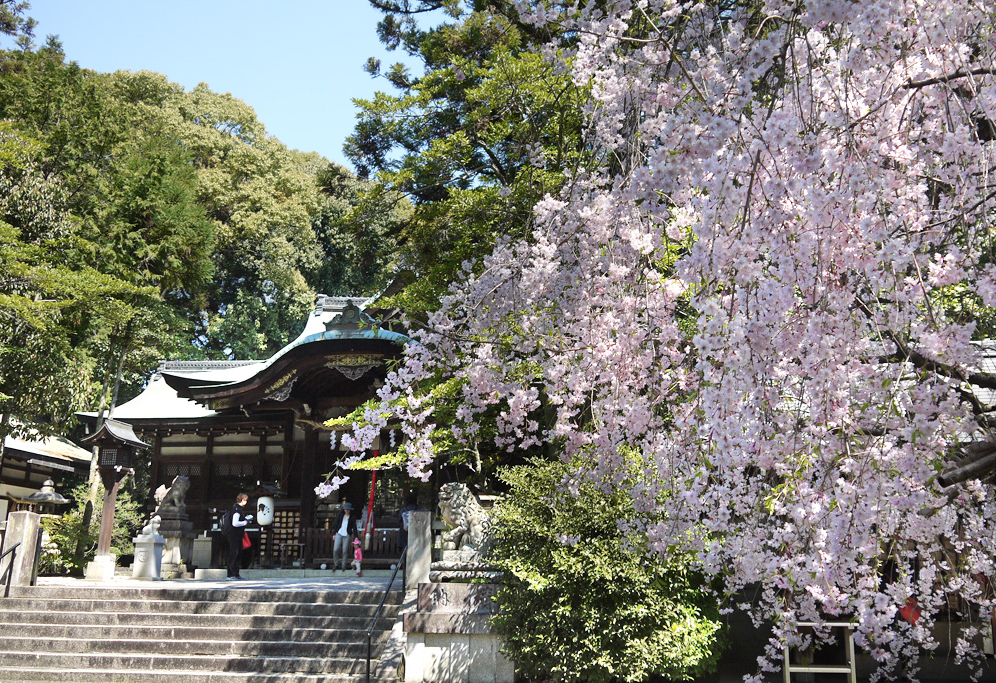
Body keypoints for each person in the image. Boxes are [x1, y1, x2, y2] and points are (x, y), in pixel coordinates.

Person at [226, 492, 252, 580]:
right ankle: (231, 574)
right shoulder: (237, 510)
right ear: (242, 500)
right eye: (245, 500)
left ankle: (235, 573)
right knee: (234, 553)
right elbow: (235, 523)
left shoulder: (237, 509)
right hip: (234, 534)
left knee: (237, 553)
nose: (246, 502)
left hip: (237, 534)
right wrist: (245, 522)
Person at [332, 501, 358, 571]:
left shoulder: (352, 517)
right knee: (336, 549)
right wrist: (334, 534)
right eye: (346, 509)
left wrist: (356, 536)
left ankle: (343, 565)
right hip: (339, 533)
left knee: (345, 550)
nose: (347, 511)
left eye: (348, 509)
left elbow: (354, 527)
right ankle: (336, 564)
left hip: (347, 534)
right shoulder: (340, 515)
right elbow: (336, 524)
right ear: (344, 509)